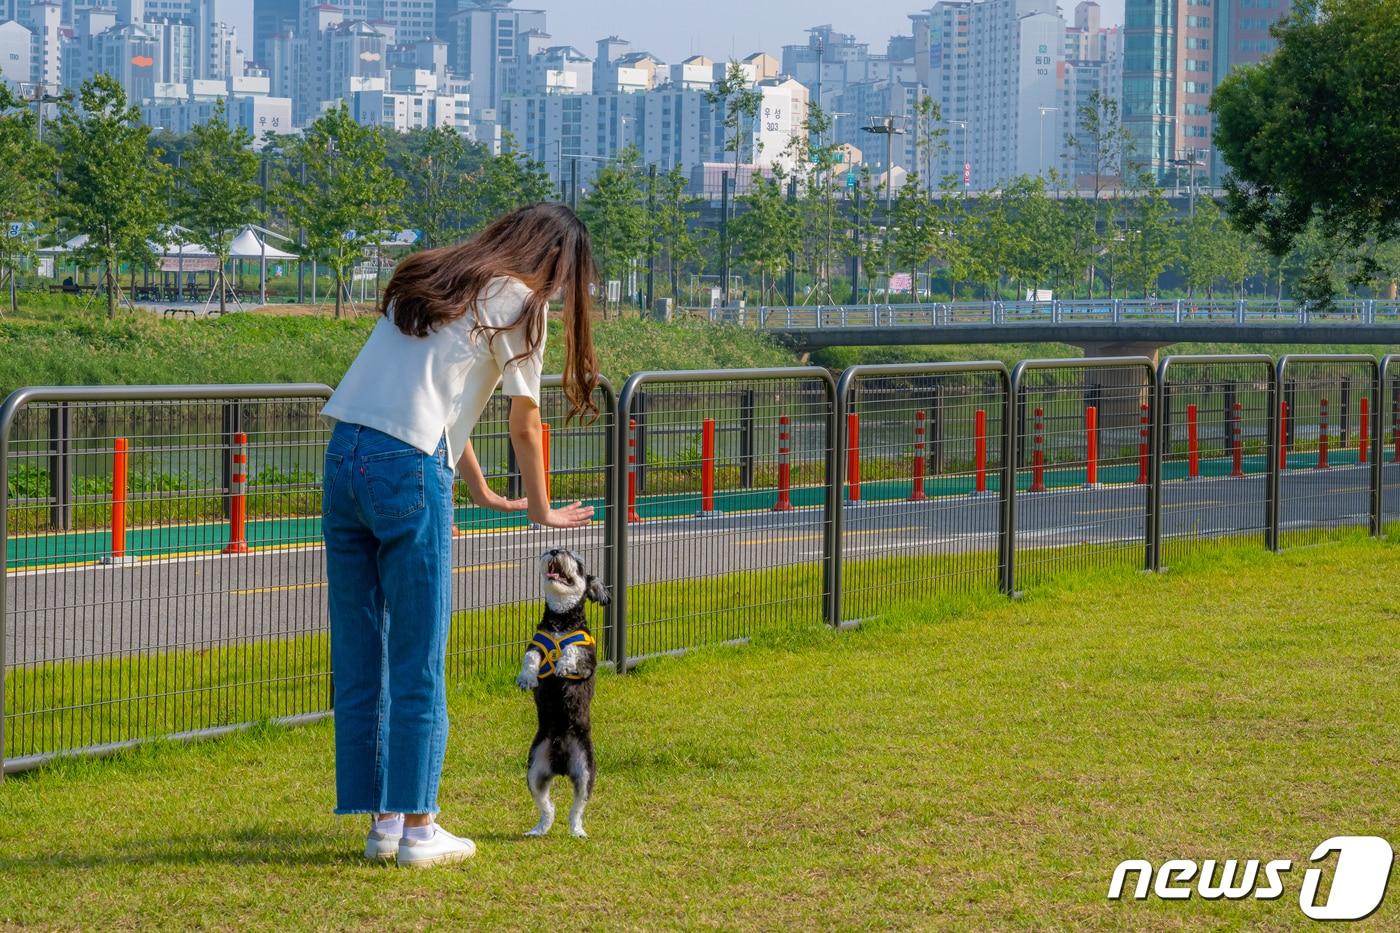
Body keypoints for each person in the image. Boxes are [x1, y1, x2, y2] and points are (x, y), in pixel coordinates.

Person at [319, 203, 599, 868]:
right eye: (566, 276)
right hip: (408, 469)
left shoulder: (436, 275)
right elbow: (525, 420)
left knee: (366, 652)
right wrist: (541, 507)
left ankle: (383, 822)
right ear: (554, 262)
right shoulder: (520, 297)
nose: (561, 292)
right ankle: (420, 828)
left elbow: (435, 395)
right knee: (419, 652)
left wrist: (475, 486)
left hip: (345, 456)